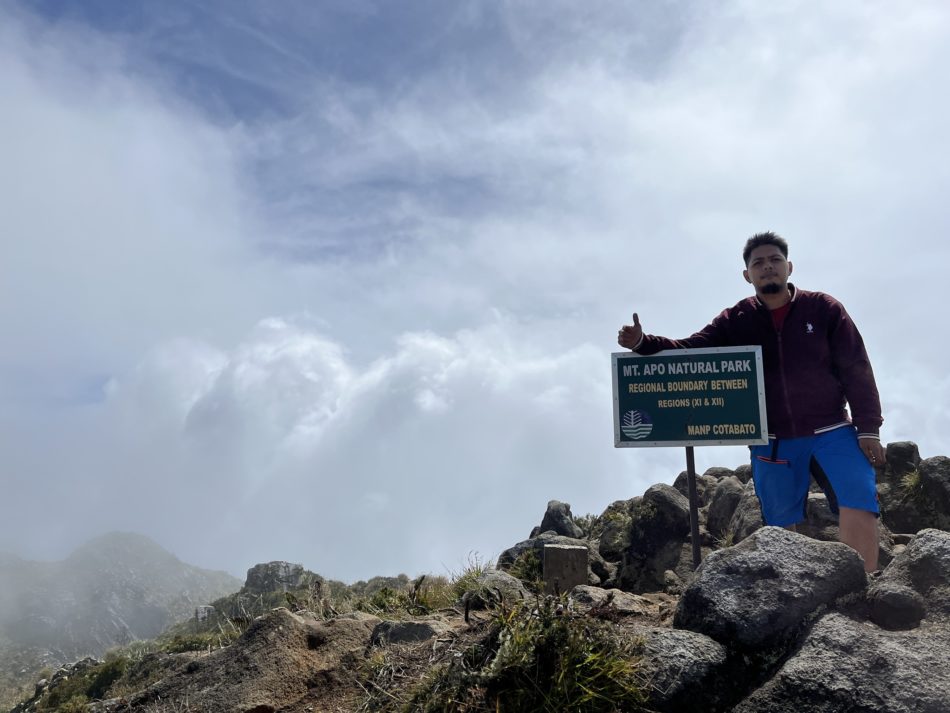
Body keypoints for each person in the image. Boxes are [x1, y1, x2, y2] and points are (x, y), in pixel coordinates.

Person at [617, 232, 885, 571]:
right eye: (758, 263)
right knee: (779, 524)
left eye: (774, 260)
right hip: (772, 439)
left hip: (831, 428)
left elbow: (855, 366)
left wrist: (869, 427)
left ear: (789, 267)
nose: (767, 267)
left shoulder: (824, 309)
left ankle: (861, 591)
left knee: (859, 497)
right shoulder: (737, 319)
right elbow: (693, 348)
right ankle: (792, 597)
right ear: (748, 275)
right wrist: (643, 342)